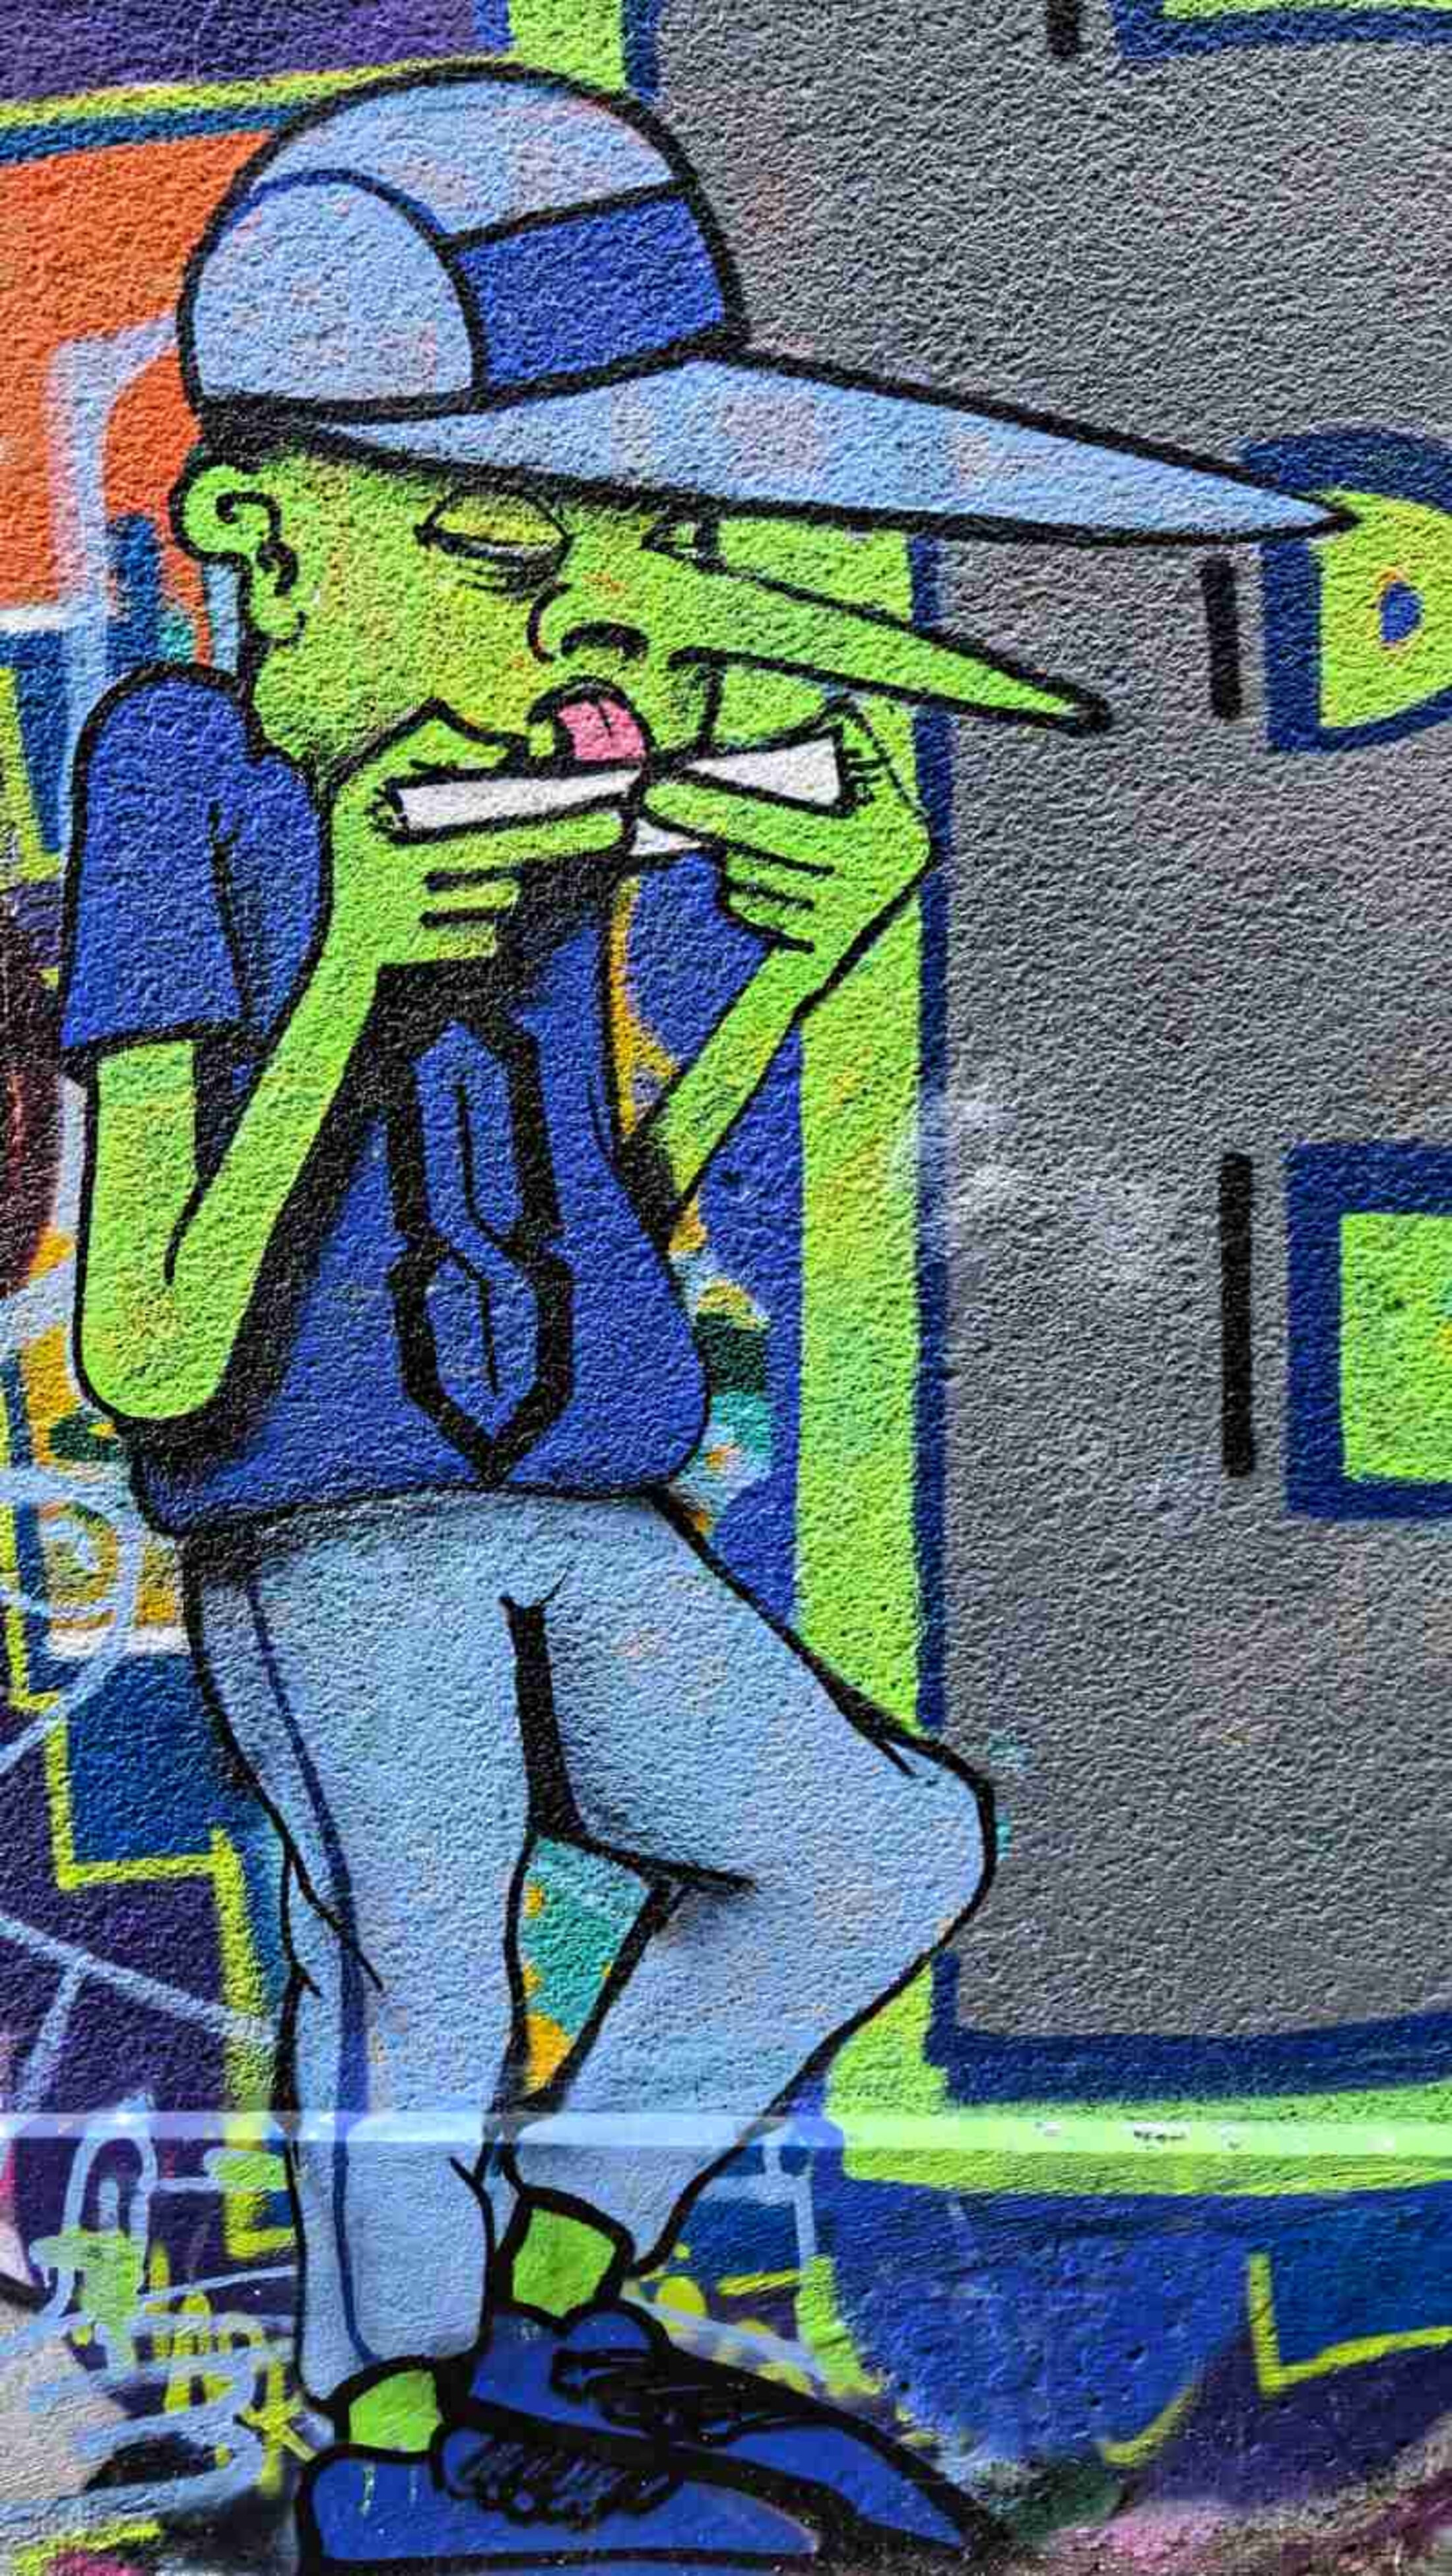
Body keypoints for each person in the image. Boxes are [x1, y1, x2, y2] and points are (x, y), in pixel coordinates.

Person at [59, 61, 1331, 2576]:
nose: (607, 632)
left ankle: (543, 2303)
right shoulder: (186, 775)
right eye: (516, 557)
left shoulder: (519, 811)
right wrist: (353, 978)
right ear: (256, 527)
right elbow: (156, 1347)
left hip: (568, 1486)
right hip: (344, 1529)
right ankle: (397, 2443)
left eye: (654, 555)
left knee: (876, 1845)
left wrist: (787, 969)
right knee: (421, 1978)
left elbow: (602, 1217)